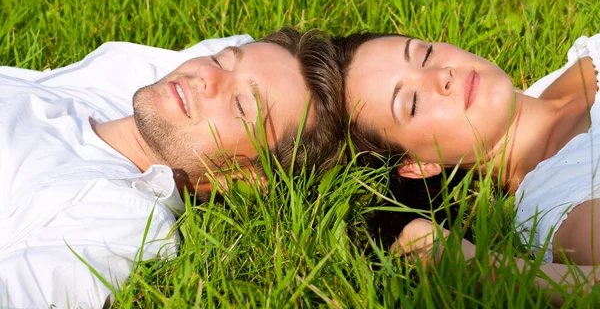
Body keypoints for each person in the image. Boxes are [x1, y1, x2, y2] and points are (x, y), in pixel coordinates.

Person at [0, 28, 344, 308]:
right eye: (220, 62)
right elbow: (243, 48)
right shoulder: (109, 84)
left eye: (240, 104)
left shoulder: (118, 217)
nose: (207, 75)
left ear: (241, 179)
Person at [334, 31, 600, 304]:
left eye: (425, 54)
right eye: (412, 103)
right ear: (417, 165)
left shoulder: (583, 60)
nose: (442, 75)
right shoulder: (566, 202)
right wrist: (475, 263)